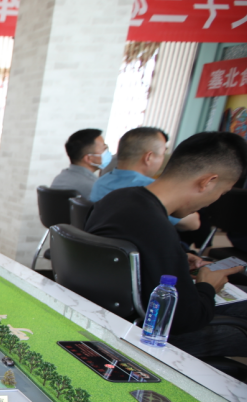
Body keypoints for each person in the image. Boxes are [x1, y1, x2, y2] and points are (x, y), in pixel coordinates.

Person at [86, 131, 247, 359]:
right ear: (208, 182)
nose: (215, 200)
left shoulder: (116, 199)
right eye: (222, 192)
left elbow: (143, 255)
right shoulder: (158, 228)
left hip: (105, 317)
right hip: (145, 336)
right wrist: (207, 286)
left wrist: (178, 259)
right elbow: (185, 320)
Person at [89, 126, 200, 231]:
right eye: (162, 154)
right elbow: (193, 224)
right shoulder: (151, 189)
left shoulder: (100, 182)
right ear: (149, 157)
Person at [50, 128, 111, 200]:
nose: (107, 152)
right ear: (89, 158)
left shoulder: (60, 178)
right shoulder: (94, 187)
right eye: (104, 148)